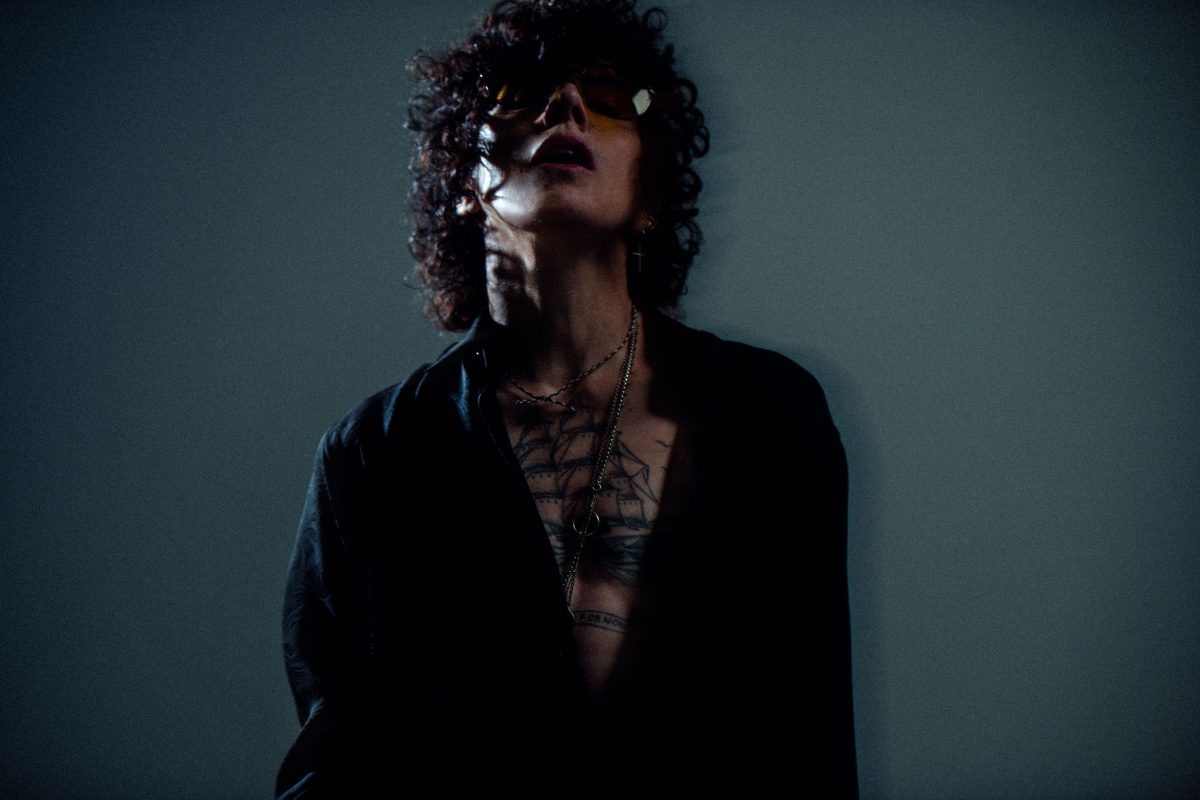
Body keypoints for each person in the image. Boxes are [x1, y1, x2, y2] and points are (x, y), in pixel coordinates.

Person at [275, 0, 857, 796]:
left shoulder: (768, 416)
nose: (568, 104)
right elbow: (337, 765)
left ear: (651, 195)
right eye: (520, 93)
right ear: (465, 181)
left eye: (610, 97)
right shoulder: (376, 452)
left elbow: (811, 739)